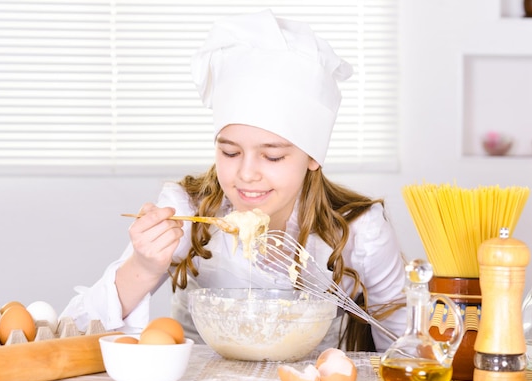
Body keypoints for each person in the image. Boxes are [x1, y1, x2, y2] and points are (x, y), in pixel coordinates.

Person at [61, 9, 406, 352]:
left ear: (313, 155)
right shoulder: (186, 209)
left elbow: (406, 345)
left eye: (272, 156)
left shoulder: (360, 231)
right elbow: (73, 334)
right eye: (229, 152)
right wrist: (144, 265)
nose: (246, 174)